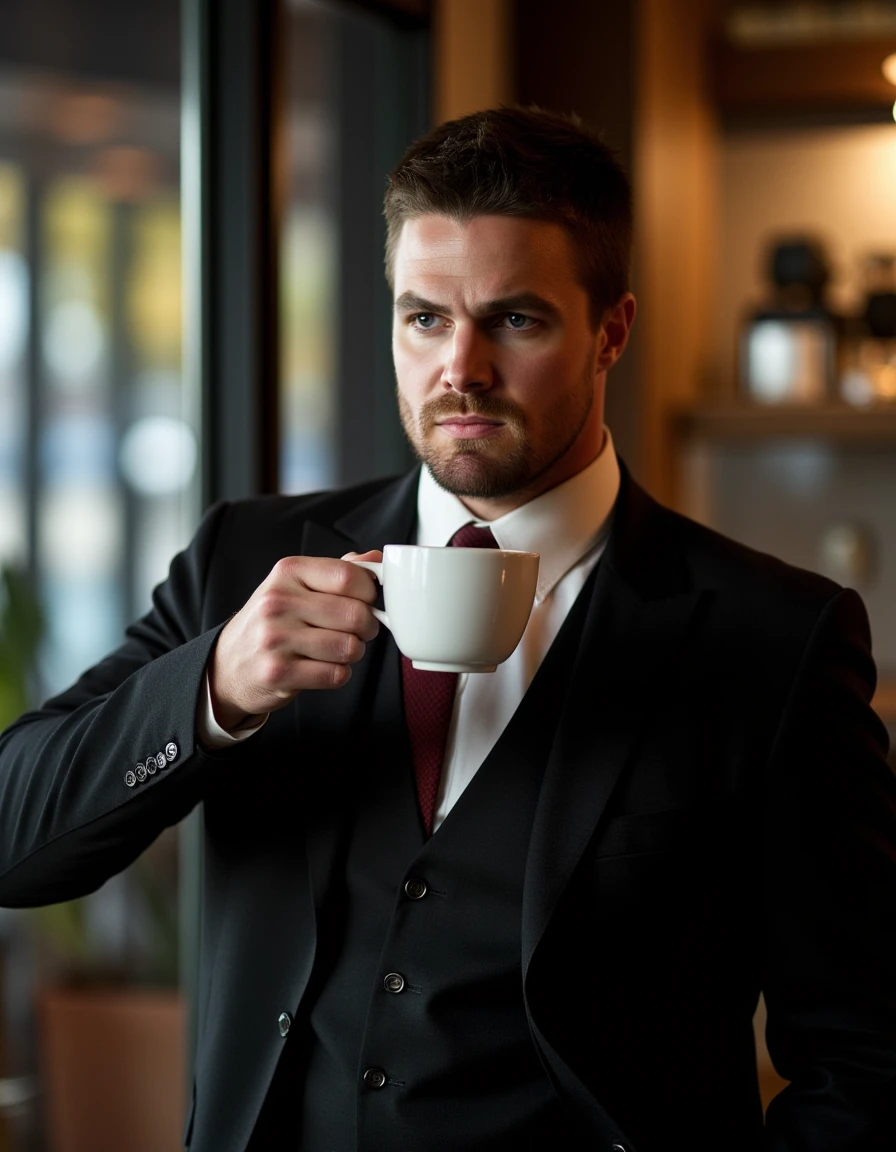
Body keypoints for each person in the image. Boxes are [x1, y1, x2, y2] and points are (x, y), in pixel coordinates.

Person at [1, 106, 895, 1152]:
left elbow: (867, 1061)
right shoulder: (246, 561)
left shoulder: (770, 639)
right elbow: (16, 842)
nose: (457, 370)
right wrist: (213, 691)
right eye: (423, 318)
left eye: (513, 320)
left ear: (610, 330)